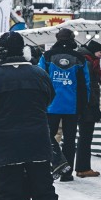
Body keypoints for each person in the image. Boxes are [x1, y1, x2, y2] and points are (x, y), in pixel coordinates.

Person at [0, 31, 68, 200]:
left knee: (9, 196)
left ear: (1, 51)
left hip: (6, 144)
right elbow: (49, 99)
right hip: (38, 141)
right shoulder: (38, 74)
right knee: (44, 192)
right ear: (23, 50)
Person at [39, 27, 90, 183]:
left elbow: (40, 79)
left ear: (57, 38)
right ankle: (67, 173)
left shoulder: (47, 57)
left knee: (48, 138)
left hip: (50, 105)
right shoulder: (80, 59)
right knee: (69, 140)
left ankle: (49, 167)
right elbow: (86, 84)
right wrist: (83, 105)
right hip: (72, 106)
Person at [75, 39, 101, 177]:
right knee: (85, 137)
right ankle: (83, 168)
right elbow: (89, 87)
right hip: (87, 106)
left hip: (83, 105)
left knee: (84, 137)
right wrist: (93, 107)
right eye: (99, 52)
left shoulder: (85, 60)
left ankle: (81, 167)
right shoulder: (88, 63)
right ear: (93, 51)